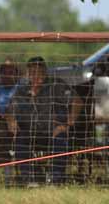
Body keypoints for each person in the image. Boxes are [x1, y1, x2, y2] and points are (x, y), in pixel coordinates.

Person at [6, 56, 83, 185]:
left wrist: (68, 123)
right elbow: (10, 110)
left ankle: (55, 180)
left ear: (45, 72)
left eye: (39, 72)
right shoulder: (21, 90)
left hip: (54, 130)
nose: (36, 75)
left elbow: (77, 102)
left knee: (61, 139)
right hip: (29, 131)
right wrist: (11, 121)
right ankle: (31, 180)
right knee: (19, 139)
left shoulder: (56, 84)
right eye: (32, 72)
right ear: (27, 74)